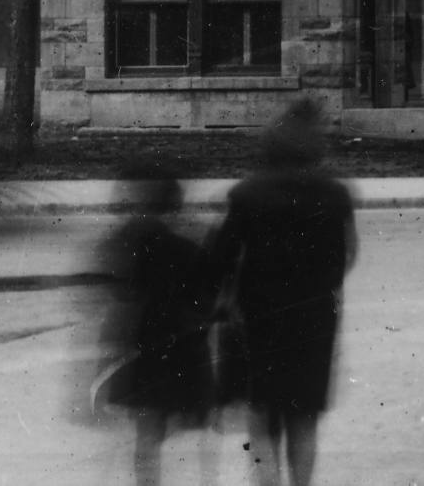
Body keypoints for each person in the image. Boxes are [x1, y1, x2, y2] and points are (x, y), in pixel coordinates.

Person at [206, 100, 357, 486]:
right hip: (315, 315)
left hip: (259, 315)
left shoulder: (246, 194)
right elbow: (347, 254)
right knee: (304, 416)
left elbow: (221, 258)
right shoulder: (335, 194)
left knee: (262, 413)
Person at [97, 162, 211, 486]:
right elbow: (206, 300)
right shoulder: (190, 246)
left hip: (142, 350)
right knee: (175, 428)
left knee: (146, 435)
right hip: (183, 352)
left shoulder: (131, 243)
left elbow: (119, 299)